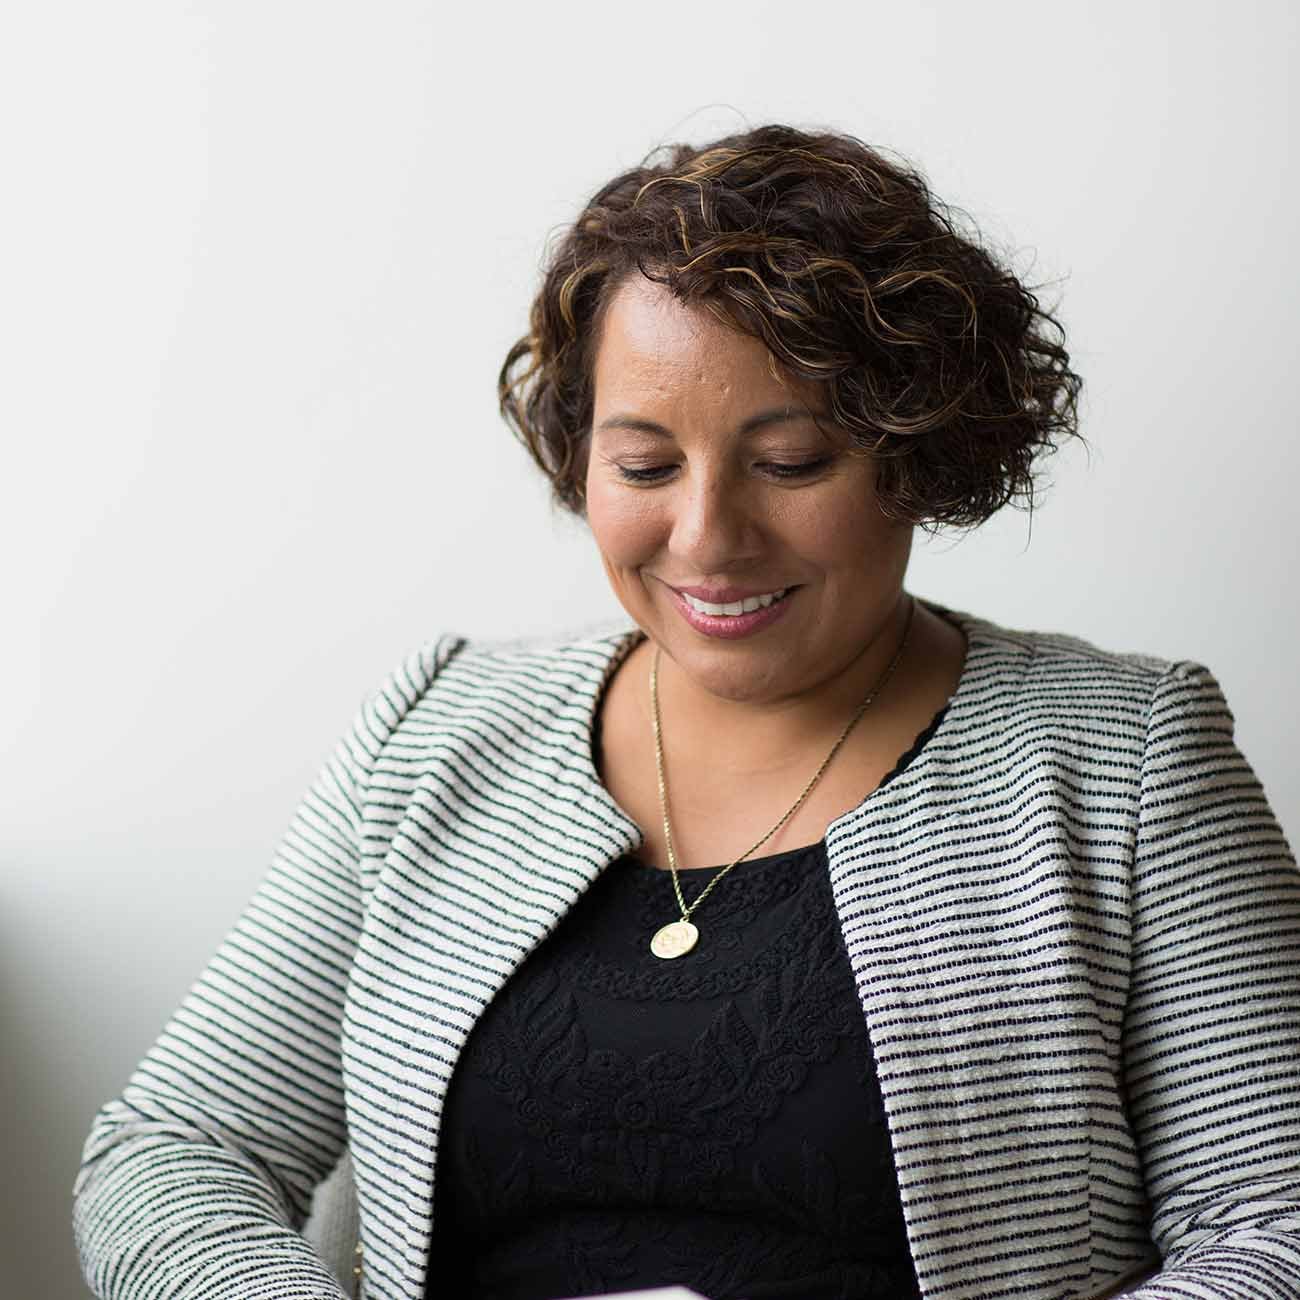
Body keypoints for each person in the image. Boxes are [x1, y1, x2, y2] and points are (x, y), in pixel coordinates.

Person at [73, 123, 1300, 1300]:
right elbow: (175, 1147)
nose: (707, 537)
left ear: (916, 452)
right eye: (645, 465)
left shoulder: (1122, 758)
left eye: (791, 461)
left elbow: (1277, 1222)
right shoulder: (439, 729)